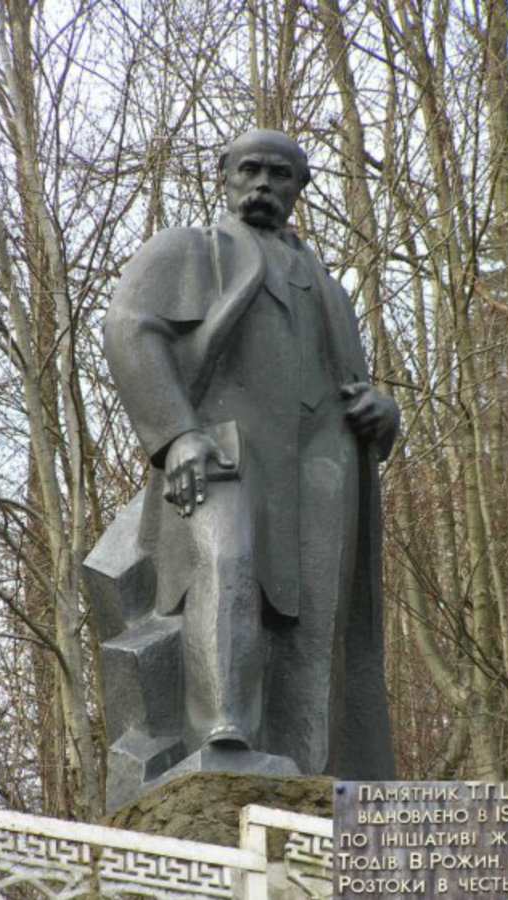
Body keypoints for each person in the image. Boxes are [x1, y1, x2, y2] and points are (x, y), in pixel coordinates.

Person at [105, 129, 399, 778]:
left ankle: (312, 768)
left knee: (318, 620)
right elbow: (129, 327)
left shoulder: (325, 283)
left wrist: (386, 414)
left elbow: (348, 380)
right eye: (250, 170)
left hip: (320, 464)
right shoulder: (190, 250)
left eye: (279, 174)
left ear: (301, 187)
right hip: (221, 448)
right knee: (227, 565)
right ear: (225, 176)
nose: (263, 184)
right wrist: (176, 434)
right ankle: (223, 735)